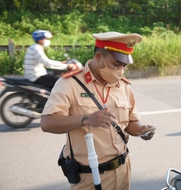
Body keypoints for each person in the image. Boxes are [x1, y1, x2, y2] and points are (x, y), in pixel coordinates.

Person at [40, 31, 156, 190]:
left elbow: (130, 122)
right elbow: (47, 123)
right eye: (116, 65)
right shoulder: (69, 84)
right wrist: (86, 119)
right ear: (99, 57)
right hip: (90, 177)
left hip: (123, 171)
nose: (121, 71)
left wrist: (141, 130)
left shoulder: (123, 86)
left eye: (124, 66)